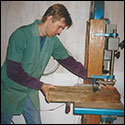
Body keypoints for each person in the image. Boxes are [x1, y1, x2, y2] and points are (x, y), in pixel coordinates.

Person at [1, 3, 113, 124]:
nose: (59, 32)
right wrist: (41, 85)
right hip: (10, 90)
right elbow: (13, 71)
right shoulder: (21, 35)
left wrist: (96, 79)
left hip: (30, 90)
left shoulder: (52, 41)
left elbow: (70, 62)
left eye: (62, 29)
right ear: (49, 18)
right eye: (59, 27)